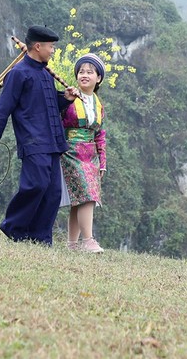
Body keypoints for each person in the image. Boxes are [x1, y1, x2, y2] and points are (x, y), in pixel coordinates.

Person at [0, 27, 77, 245]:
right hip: (33, 141)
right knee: (36, 185)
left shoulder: (44, 73)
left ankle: (40, 237)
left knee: (52, 193)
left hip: (53, 142)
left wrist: (66, 98)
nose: (53, 51)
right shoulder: (18, 73)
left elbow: (50, 104)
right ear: (38, 46)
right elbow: (2, 109)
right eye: (51, 46)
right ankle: (13, 227)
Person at [60, 53, 107, 253]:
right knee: (87, 195)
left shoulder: (98, 105)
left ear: (99, 79)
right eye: (81, 72)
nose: (84, 75)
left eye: (90, 72)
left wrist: (102, 161)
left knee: (79, 199)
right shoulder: (69, 99)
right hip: (71, 152)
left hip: (91, 155)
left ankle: (72, 244)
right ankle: (88, 240)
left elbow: (100, 135)